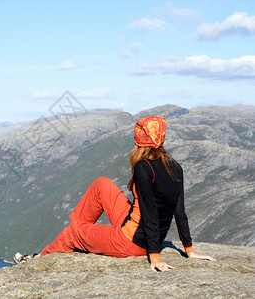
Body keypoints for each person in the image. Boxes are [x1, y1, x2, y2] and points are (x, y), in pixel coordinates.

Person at [14, 116, 215, 271]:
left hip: (131, 242)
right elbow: (180, 212)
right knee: (102, 184)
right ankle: (84, 232)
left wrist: (154, 257)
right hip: (137, 230)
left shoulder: (144, 167)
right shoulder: (175, 166)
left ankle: (39, 258)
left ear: (139, 141)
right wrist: (189, 250)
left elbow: (150, 213)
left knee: (73, 232)